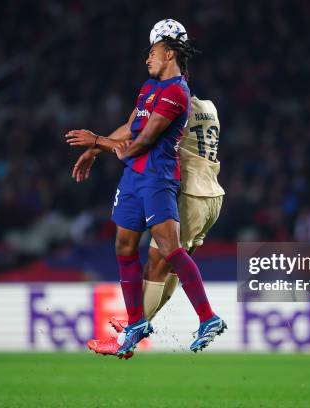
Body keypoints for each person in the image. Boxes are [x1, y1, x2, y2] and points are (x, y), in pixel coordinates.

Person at [65, 19, 226, 358]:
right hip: (173, 186)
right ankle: (137, 324)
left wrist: (98, 141)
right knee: (127, 247)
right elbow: (132, 125)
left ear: (169, 53)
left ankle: (173, 323)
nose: (146, 58)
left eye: (152, 51)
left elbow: (142, 140)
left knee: (163, 257)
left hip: (170, 183)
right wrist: (99, 147)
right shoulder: (197, 105)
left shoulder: (177, 95)